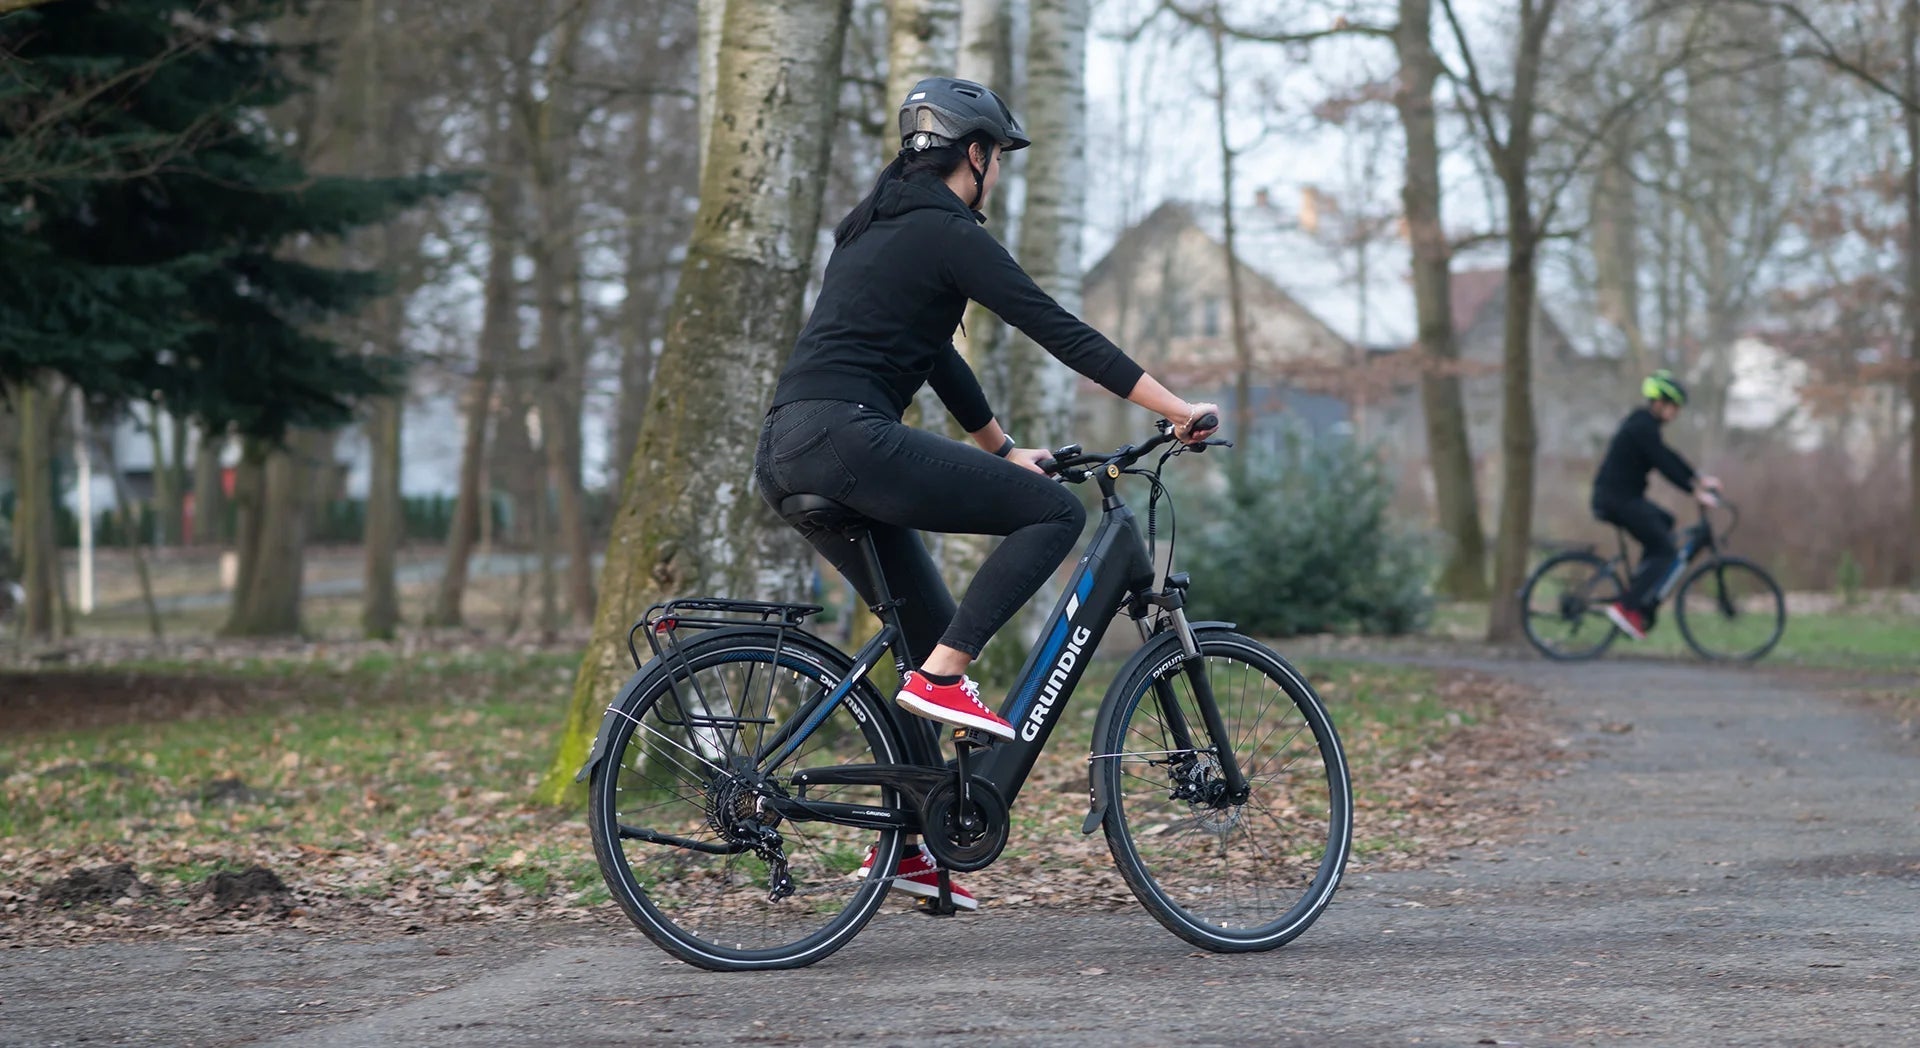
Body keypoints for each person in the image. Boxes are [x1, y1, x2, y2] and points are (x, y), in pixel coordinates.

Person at [753, 76, 1219, 908]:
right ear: (974, 154)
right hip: (847, 438)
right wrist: (1176, 408)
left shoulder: (873, 227)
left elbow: (931, 352)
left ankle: (909, 849)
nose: (996, 174)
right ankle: (944, 679)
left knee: (925, 635)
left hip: (791, 450)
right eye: (997, 157)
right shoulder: (947, 230)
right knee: (1053, 513)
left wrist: (1002, 449)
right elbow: (1059, 330)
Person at [1590, 369, 1721, 640]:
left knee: (1665, 522)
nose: (1676, 413)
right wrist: (1694, 491)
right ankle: (1627, 607)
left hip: (1622, 498)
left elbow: (1668, 456)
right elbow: (1663, 463)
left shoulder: (1645, 425)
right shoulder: (1641, 427)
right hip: (1617, 500)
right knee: (1665, 551)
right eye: (1674, 406)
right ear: (1659, 403)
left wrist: (1698, 478)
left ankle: (1640, 588)